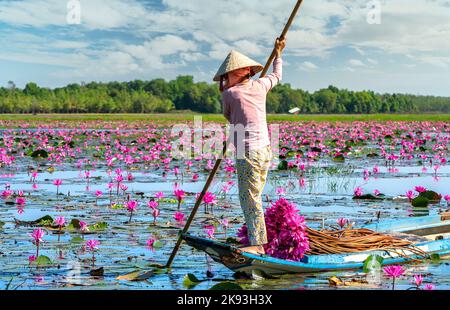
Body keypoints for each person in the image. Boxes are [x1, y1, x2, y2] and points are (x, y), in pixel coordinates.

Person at [213, 37, 286, 254]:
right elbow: (277, 75)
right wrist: (278, 53)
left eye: (231, 72)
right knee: (253, 195)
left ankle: (257, 245)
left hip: (248, 152)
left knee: (250, 198)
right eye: (226, 74)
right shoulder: (261, 85)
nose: (227, 77)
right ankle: (257, 240)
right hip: (265, 150)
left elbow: (228, 115)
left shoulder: (230, 94)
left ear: (245, 70)